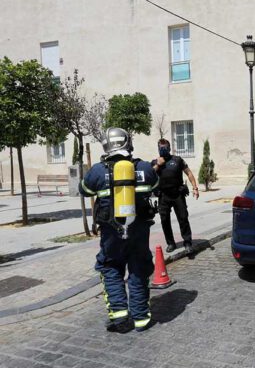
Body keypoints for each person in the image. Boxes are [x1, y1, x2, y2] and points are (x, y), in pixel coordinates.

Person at [79, 128, 159, 333]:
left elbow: (84, 189)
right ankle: (141, 319)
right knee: (139, 268)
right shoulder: (143, 167)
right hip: (139, 231)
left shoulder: (97, 170)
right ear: (128, 143)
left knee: (110, 267)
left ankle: (120, 315)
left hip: (111, 233)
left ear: (106, 145)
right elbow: (156, 184)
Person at [151, 139, 199, 254]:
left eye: (165, 147)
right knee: (164, 220)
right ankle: (171, 243)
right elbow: (150, 175)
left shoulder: (177, 160)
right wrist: (158, 164)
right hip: (163, 196)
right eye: (161, 148)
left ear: (169, 148)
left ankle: (187, 242)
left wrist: (195, 188)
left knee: (183, 218)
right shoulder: (154, 162)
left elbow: (189, 172)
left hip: (178, 194)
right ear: (158, 148)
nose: (163, 150)